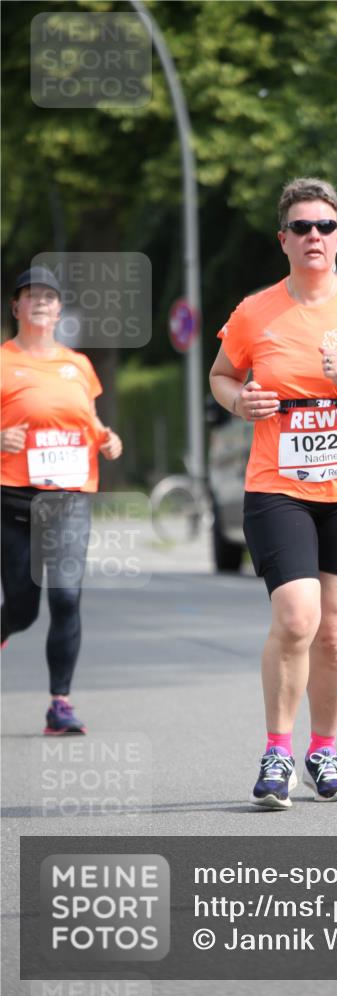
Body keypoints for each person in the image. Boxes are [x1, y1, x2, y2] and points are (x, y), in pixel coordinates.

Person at [209, 178, 337, 809]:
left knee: (335, 632)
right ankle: (276, 753)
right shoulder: (255, 311)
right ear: (284, 240)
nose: (314, 236)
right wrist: (239, 400)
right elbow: (220, 375)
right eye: (302, 227)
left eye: (324, 226)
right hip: (279, 485)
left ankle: (323, 751)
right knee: (298, 617)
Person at [1, 266, 123, 734]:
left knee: (67, 597)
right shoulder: (3, 360)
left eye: (49, 297)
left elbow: (89, 422)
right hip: (14, 499)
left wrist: (109, 441)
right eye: (31, 296)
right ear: (17, 307)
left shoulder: (79, 365)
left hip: (70, 495)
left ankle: (60, 703)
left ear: (58, 310)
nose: (40, 303)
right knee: (22, 609)